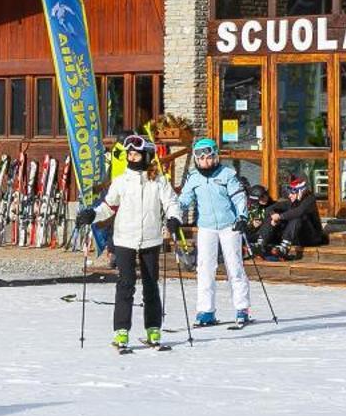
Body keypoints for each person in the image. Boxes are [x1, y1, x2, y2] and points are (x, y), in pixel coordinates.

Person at [76, 134, 184, 351]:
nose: (132, 157)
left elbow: (172, 203)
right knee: (126, 285)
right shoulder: (121, 181)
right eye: (129, 154)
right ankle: (121, 332)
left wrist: (174, 219)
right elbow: (108, 206)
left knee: (151, 285)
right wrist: (92, 215)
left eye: (136, 153)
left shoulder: (158, 181)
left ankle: (153, 329)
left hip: (151, 240)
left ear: (146, 155)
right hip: (125, 239)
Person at [175, 137, 250, 327]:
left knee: (235, 267)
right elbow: (184, 200)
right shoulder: (194, 177)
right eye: (201, 159)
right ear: (196, 159)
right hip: (206, 227)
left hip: (229, 226)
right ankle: (206, 311)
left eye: (209, 158)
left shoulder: (227, 174)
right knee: (205, 269)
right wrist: (173, 215)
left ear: (215, 157)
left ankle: (242, 308)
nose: (205, 162)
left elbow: (239, 197)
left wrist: (242, 217)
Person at [255, 174, 327, 259]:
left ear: (300, 192)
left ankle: (284, 248)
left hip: (312, 237)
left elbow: (298, 212)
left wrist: (279, 217)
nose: (289, 195)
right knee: (274, 216)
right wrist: (273, 216)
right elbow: (270, 208)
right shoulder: (292, 202)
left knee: (297, 217)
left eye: (292, 193)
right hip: (297, 238)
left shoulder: (310, 200)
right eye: (289, 193)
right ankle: (261, 244)